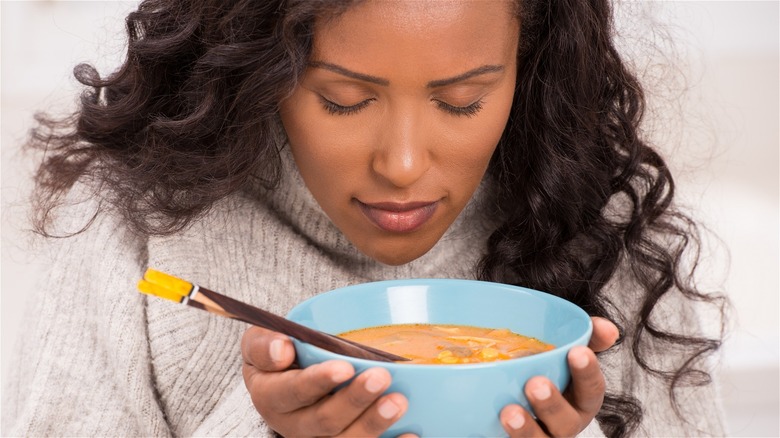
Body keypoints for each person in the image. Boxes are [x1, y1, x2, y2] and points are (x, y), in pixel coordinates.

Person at [2, 0, 727, 437]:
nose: (404, 164)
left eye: (462, 101)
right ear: (261, 68)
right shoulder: (126, 226)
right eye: (344, 99)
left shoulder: (615, 230)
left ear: (530, 64)